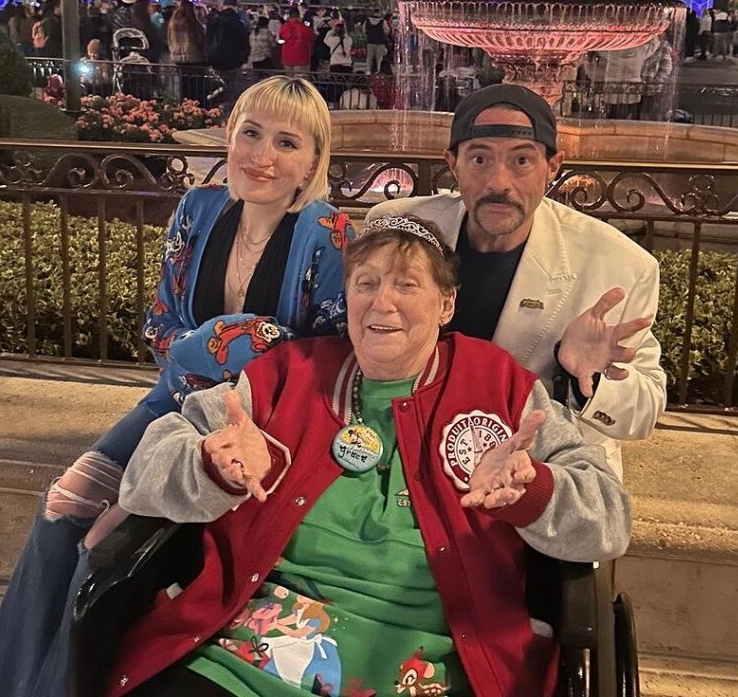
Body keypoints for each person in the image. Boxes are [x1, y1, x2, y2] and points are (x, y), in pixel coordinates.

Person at [104, 216, 631, 697]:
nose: (383, 303)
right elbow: (148, 470)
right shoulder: (284, 377)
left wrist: (533, 491)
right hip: (252, 648)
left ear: (446, 305)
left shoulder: (501, 387)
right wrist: (208, 465)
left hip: (438, 662)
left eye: (407, 284)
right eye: (366, 283)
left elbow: (609, 518)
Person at [0, 77, 354, 697]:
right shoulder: (198, 210)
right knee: (59, 515)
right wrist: (240, 336)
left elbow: (322, 355)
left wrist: (221, 341)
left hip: (255, 427)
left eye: (287, 143)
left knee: (103, 553)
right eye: (250, 133)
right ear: (229, 137)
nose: (262, 156)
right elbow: (158, 328)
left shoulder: (327, 233)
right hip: (170, 403)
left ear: (313, 161)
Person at [367, 84, 665, 475]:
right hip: (407, 455)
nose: (498, 183)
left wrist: (581, 378)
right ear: (452, 163)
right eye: (479, 159)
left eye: (521, 161)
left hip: (534, 471)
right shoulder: (397, 228)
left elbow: (643, 413)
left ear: (553, 166)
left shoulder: (618, 266)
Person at [168, 0, 209, 102]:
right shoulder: (194, 24)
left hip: (178, 59)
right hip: (194, 58)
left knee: (184, 87)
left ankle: (185, 108)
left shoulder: (173, 23)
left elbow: (169, 39)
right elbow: (200, 41)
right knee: (197, 88)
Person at [277, 7, 315, 75]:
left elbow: (280, 39)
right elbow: (312, 37)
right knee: (300, 81)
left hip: (287, 56)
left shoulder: (284, 27)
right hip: (302, 57)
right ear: (298, 14)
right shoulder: (304, 27)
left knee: (289, 80)